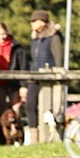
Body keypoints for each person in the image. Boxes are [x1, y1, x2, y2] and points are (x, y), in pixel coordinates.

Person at [26, 9, 64, 145]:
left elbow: (58, 59)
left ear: (42, 22)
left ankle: (48, 137)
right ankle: (33, 138)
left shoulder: (54, 38)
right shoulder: (35, 39)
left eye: (34, 21)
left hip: (48, 78)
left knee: (47, 108)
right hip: (34, 76)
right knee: (30, 106)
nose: (32, 24)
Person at [0, 22, 26, 136]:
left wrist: (23, 85)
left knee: (15, 108)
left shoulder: (16, 47)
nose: (2, 37)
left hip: (14, 81)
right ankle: (4, 136)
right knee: (2, 109)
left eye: (4, 34)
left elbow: (23, 67)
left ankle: (18, 134)